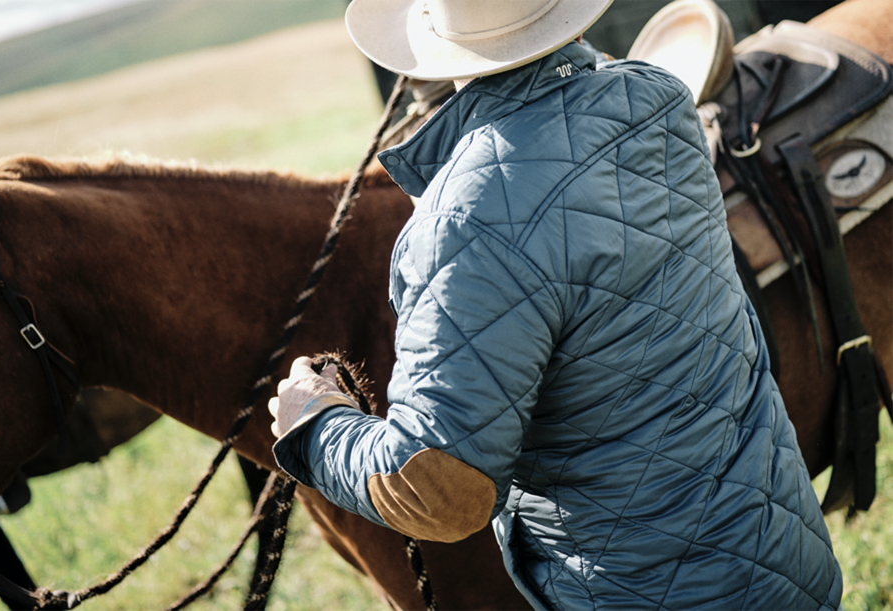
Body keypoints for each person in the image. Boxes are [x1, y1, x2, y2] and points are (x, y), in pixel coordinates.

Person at [269, 0, 843, 608]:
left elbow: (439, 488)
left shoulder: (465, 218)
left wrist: (318, 427)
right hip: (786, 562)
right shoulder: (660, 98)